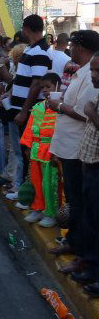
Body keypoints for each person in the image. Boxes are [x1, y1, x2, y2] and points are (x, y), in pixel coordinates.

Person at [47, 30, 99, 265]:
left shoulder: (91, 75)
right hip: (69, 145)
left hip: (80, 149)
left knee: (81, 203)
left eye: (72, 45)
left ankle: (81, 252)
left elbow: (82, 112)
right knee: (75, 199)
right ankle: (74, 243)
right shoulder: (82, 71)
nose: (70, 49)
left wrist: (58, 106)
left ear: (81, 47)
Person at [5, 14, 52, 201]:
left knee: (26, 153)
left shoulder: (40, 51)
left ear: (27, 29)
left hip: (27, 111)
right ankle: (22, 189)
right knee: (20, 152)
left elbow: (36, 84)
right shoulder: (32, 49)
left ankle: (26, 194)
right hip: (18, 108)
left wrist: (24, 111)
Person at [72, 53, 99, 295]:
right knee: (90, 220)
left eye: (97, 71)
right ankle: (89, 266)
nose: (93, 75)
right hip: (90, 163)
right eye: (92, 70)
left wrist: (91, 112)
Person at [19, 73, 61, 228]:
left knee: (49, 183)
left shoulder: (59, 108)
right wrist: (27, 146)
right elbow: (30, 128)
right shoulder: (37, 107)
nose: (45, 90)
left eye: (48, 87)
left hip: (50, 150)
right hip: (36, 150)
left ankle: (50, 213)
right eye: (43, 87)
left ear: (57, 87)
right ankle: (37, 208)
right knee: (36, 181)